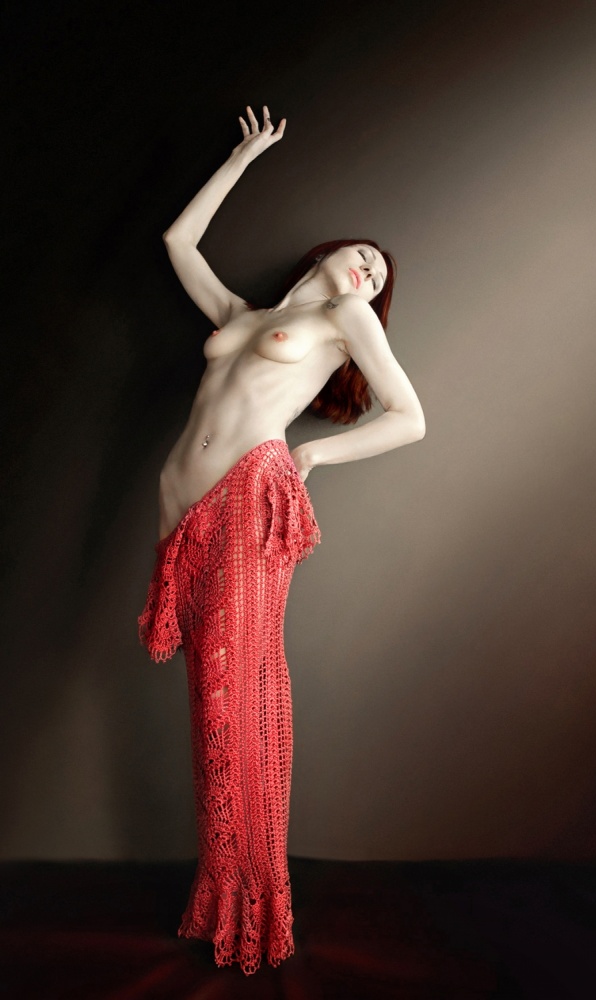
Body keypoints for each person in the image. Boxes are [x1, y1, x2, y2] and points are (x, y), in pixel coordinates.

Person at [138, 105, 425, 976]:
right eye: (363, 255)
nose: (370, 270)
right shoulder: (243, 312)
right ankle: (221, 891)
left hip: (245, 502)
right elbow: (178, 243)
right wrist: (241, 157)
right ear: (327, 251)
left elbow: (409, 418)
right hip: (183, 516)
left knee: (237, 701)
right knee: (209, 707)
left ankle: (253, 904)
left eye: (379, 275)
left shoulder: (346, 317)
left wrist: (313, 453)